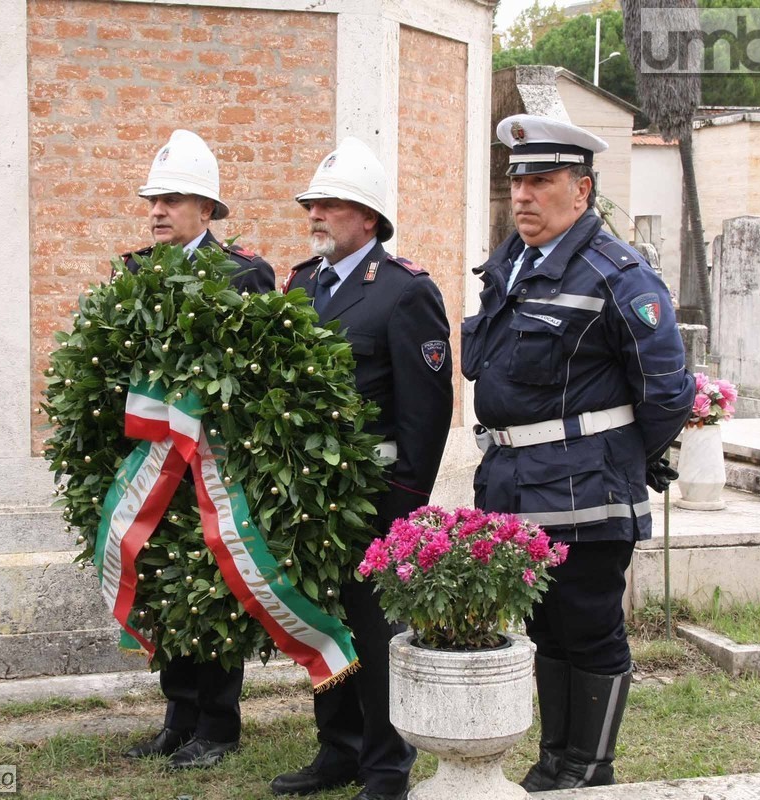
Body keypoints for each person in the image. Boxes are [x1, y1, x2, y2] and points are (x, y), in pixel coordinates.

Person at [462, 113, 694, 790]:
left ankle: (588, 770)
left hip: (586, 490)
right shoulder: (509, 263)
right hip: (514, 483)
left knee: (589, 627)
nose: (524, 196)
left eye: (542, 180)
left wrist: (615, 460)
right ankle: (553, 761)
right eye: (517, 181)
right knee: (547, 631)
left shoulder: (616, 274)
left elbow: (667, 390)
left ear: (583, 191)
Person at [270, 137, 453, 800]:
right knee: (324, 626)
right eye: (312, 204)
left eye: (332, 205)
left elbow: (426, 412)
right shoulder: (301, 284)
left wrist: (405, 506)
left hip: (377, 496)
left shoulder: (403, 292)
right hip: (313, 498)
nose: (315, 213)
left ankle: (384, 766)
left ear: (369, 218)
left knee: (376, 638)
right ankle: (338, 748)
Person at [121, 129, 275, 768]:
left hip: (216, 465)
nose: (158, 210)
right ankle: (179, 714)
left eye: (174, 199)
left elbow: (261, 374)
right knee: (165, 585)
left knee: (214, 589)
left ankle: (219, 723)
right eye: (154, 199)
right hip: (155, 465)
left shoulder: (246, 274)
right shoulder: (133, 271)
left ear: (207, 209)